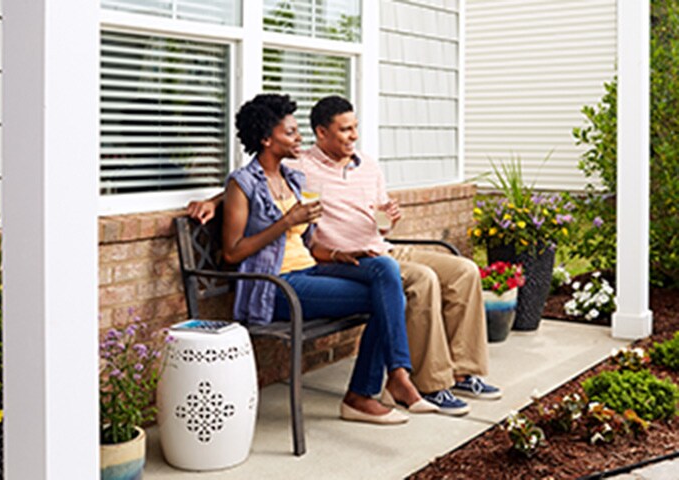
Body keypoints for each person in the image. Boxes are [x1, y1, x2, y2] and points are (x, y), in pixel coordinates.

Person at [188, 96, 502, 416]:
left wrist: (364, 236)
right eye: (292, 132)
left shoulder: (302, 176)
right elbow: (241, 206)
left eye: (355, 128)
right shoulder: (289, 169)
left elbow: (297, 222)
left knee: (422, 271)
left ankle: (428, 375)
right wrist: (220, 204)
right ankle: (401, 384)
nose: (299, 138)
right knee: (401, 290)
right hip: (281, 282)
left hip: (348, 256)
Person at [218, 93, 436, 425]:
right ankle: (367, 393)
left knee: (384, 268)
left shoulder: (293, 180)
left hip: (311, 270)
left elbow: (308, 244)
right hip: (275, 287)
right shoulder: (242, 183)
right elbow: (232, 251)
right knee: (388, 299)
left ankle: (395, 376)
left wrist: (340, 255)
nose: (299, 138)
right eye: (290, 133)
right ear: (266, 139)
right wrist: (286, 221)